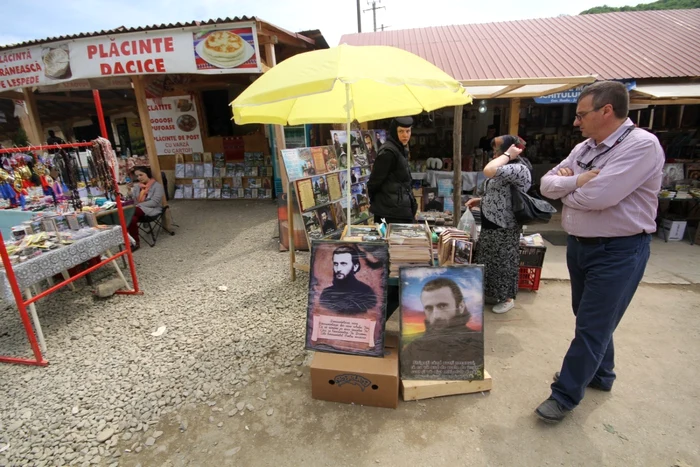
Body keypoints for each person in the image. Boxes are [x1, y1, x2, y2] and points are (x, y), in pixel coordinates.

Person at [535, 81, 664, 423]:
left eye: (581, 114)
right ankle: (602, 375)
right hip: (581, 247)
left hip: (618, 250)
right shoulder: (586, 148)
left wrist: (569, 189)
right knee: (589, 316)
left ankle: (564, 395)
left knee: (592, 325)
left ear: (606, 110)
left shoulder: (641, 146)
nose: (576, 122)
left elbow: (599, 198)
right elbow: (547, 184)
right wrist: (577, 182)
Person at [465, 135, 531, 314]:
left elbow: (488, 170)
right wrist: (480, 201)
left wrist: (508, 155)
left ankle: (507, 298)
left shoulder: (518, 168)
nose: (494, 153)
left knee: (503, 262)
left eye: (497, 149)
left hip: (505, 224)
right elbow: (498, 191)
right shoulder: (504, 166)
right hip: (490, 221)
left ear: (510, 149)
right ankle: (492, 293)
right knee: (488, 259)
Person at [401, 277, 483, 376]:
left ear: (460, 307)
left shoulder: (477, 344)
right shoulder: (412, 351)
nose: (436, 315)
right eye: (429, 308)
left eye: (442, 306)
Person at [368, 116, 417, 224]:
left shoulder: (400, 148)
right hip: (390, 212)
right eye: (401, 131)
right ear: (394, 132)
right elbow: (374, 182)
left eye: (408, 131)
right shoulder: (388, 152)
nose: (405, 135)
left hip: (399, 209)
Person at [318, 245, 377, 315]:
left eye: (343, 264)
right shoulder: (326, 294)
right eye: (336, 264)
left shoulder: (366, 292)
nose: (338, 268)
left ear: (355, 267)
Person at [128, 166, 165, 250]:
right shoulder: (137, 187)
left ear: (147, 174)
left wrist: (138, 206)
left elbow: (154, 202)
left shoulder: (157, 186)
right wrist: (129, 192)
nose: (139, 178)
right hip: (138, 210)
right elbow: (134, 200)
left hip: (152, 209)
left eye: (141, 175)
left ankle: (129, 240)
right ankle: (135, 243)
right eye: (137, 176)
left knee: (128, 212)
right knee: (131, 219)